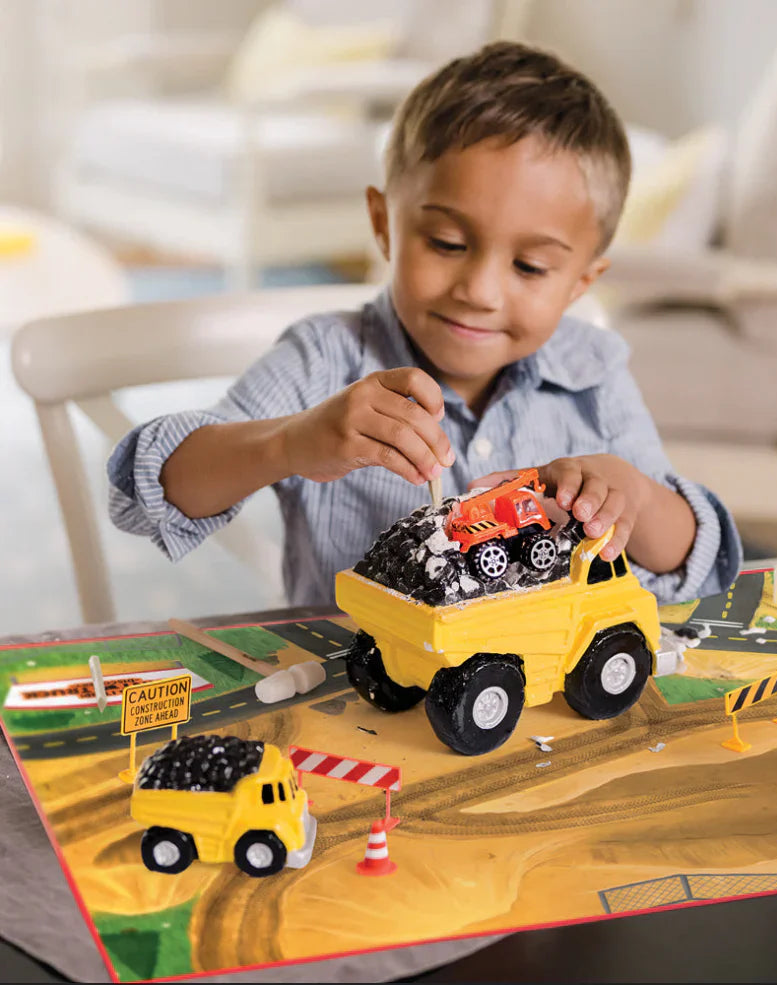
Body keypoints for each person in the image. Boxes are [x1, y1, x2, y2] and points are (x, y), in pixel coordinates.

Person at [108, 40, 742, 609]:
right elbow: (146, 498)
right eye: (445, 242)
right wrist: (290, 443)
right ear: (384, 224)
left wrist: (634, 497)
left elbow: (700, 565)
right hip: (357, 699)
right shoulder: (326, 360)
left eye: (529, 265)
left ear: (580, 282)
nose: (479, 291)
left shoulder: (593, 373)